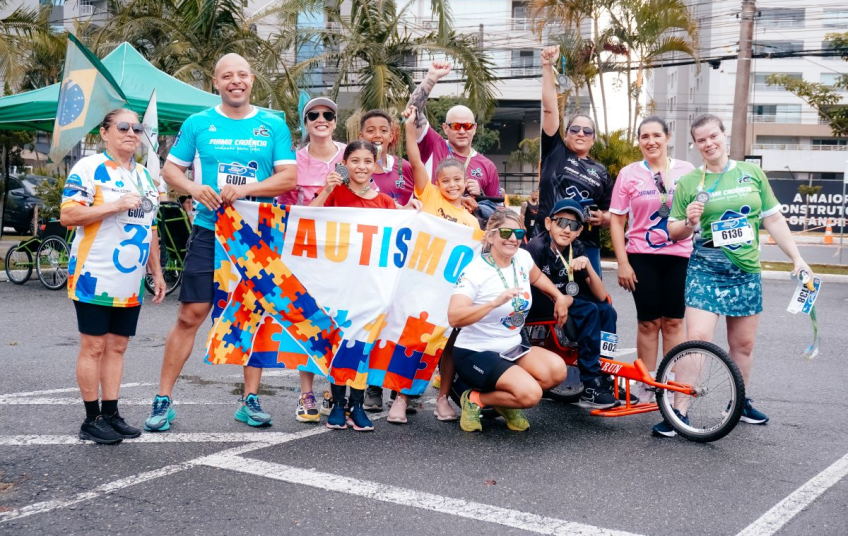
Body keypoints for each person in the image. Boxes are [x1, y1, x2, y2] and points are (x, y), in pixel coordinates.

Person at [144, 53, 296, 432]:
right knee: (190, 314)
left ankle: (250, 400)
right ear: (216, 82)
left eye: (242, 74)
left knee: (254, 316)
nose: (236, 81)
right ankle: (163, 400)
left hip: (256, 234)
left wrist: (246, 189)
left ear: (252, 80)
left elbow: (288, 178)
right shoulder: (199, 123)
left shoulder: (272, 124)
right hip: (211, 231)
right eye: (227, 76)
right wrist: (196, 188)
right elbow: (170, 169)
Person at [663, 113, 812, 436]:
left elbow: (773, 220)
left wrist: (797, 258)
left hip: (745, 270)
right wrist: (688, 222)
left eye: (713, 136)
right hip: (706, 267)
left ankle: (738, 403)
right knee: (697, 339)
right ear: (695, 144)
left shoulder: (751, 173)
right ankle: (678, 411)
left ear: (723, 135)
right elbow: (673, 231)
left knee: (742, 345)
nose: (708, 144)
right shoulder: (690, 182)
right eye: (701, 140)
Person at [60, 108, 167, 444]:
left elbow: (150, 229)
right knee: (93, 346)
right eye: (123, 126)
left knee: (118, 347)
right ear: (105, 132)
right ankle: (91, 419)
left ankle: (111, 412)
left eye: (137, 127)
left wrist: (157, 272)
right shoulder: (89, 168)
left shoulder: (146, 178)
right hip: (93, 272)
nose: (131, 132)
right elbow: (69, 215)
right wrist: (114, 205)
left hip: (129, 279)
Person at [375, 103, 483, 425]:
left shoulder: (471, 220)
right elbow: (416, 156)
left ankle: (442, 399)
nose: (452, 185)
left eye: (457, 181)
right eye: (445, 180)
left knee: (447, 346)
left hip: (449, 293)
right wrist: (410, 126)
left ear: (465, 183)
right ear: (437, 182)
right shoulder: (430, 196)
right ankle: (400, 398)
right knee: (411, 343)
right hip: (418, 287)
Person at [448, 210, 569, 433]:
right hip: (476, 351)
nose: (513, 238)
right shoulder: (475, 271)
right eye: (505, 232)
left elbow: (538, 277)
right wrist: (492, 304)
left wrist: (559, 296)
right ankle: (474, 398)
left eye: (518, 232)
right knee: (531, 394)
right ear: (491, 236)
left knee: (557, 371)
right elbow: (454, 316)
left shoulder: (522, 258)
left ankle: (504, 401)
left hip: (512, 346)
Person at [609, 116, 695, 403]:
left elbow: (698, 212)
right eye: (644, 136)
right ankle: (645, 384)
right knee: (647, 323)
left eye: (656, 135)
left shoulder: (687, 171)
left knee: (673, 322)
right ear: (639, 141)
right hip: (641, 256)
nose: (651, 141)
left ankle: (670, 381)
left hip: (679, 256)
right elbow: (617, 221)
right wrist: (623, 262)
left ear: (667, 137)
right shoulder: (629, 173)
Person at [310, 140, 394, 431]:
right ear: (344, 163)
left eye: (367, 161)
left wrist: (414, 210)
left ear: (375, 164)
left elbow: (401, 235)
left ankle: (357, 405)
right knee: (339, 342)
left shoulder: (384, 202)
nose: (361, 166)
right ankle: (337, 402)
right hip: (338, 283)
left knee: (362, 345)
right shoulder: (337, 192)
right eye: (355, 161)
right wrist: (328, 189)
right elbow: (307, 217)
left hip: (370, 286)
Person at [524, 199, 619, 408]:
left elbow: (601, 295)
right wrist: (564, 299)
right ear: (549, 223)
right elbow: (533, 285)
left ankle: (605, 373)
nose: (567, 229)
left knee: (607, 311)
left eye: (573, 225)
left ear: (579, 231)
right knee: (589, 310)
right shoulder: (536, 247)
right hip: (538, 302)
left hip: (565, 299)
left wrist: (588, 265)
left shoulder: (576, 247)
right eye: (561, 222)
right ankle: (590, 381)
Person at [537, 45, 612, 277]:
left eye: (587, 131)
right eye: (575, 129)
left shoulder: (601, 172)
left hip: (585, 245)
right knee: (541, 302)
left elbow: (615, 214)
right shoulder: (555, 151)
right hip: (545, 240)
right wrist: (547, 66)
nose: (581, 134)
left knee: (590, 302)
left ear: (593, 139)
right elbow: (549, 110)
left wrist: (604, 218)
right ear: (566, 133)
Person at [406, 61, 500, 200]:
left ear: (474, 128)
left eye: (467, 126)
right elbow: (412, 111)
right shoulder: (434, 144)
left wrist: (481, 196)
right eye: (456, 126)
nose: (462, 131)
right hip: (432, 218)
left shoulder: (487, 166)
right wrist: (432, 77)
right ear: (445, 128)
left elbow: (497, 210)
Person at [278, 97, 346, 207]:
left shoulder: (350, 154)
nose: (321, 120)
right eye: (313, 115)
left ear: (335, 123)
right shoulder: (294, 162)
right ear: (305, 124)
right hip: (308, 223)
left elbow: (367, 192)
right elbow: (285, 207)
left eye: (328, 115)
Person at [358, 109, 415, 206]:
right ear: (361, 136)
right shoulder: (355, 169)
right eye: (371, 130)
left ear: (391, 136)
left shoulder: (404, 166)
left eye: (383, 130)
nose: (377, 135)